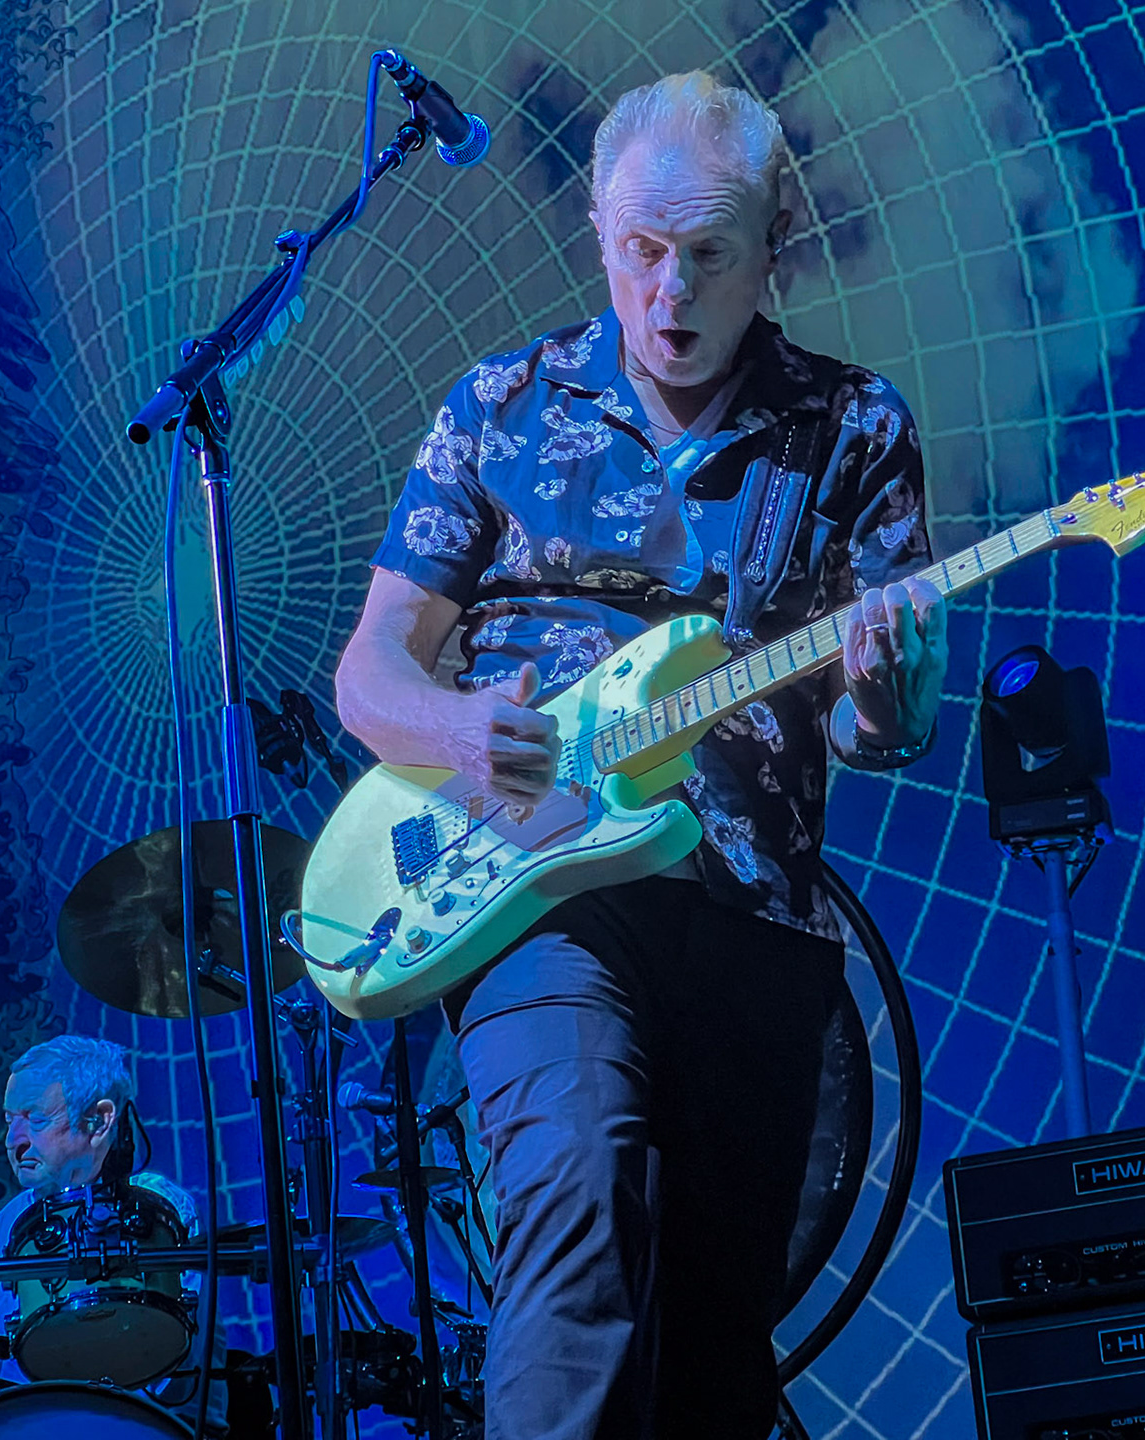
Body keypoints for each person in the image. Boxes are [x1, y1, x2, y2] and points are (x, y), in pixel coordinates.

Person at [334, 71, 948, 1440]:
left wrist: (893, 700)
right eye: (641, 250)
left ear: (775, 244)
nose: (670, 292)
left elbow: (872, 733)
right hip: (538, 892)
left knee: (718, 1338)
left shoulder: (855, 428)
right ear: (601, 236)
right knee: (573, 1200)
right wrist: (454, 726)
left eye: (709, 254)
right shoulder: (502, 402)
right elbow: (369, 676)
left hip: (754, 913)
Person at [0, 1036, 220, 1426]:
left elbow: (157, 1366)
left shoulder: (159, 1209)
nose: (13, 1141)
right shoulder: (5, 1225)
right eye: (10, 1120)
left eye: (35, 1119)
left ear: (99, 1121)